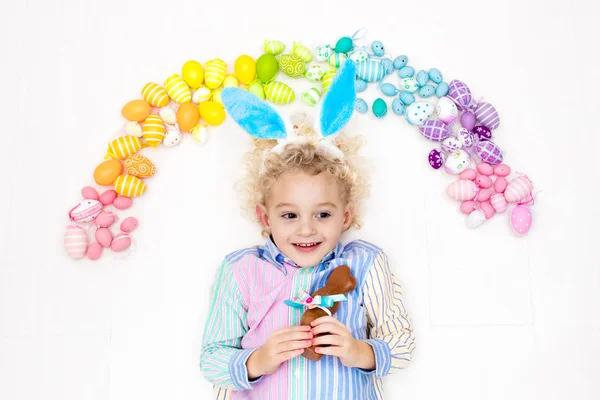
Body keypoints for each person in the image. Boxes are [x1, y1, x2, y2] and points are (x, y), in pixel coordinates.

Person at [200, 60, 415, 400]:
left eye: (323, 214)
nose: (306, 229)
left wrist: (359, 352)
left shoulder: (366, 263)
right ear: (264, 217)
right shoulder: (240, 270)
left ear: (346, 216)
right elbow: (211, 359)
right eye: (289, 216)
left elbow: (401, 342)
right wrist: (258, 360)